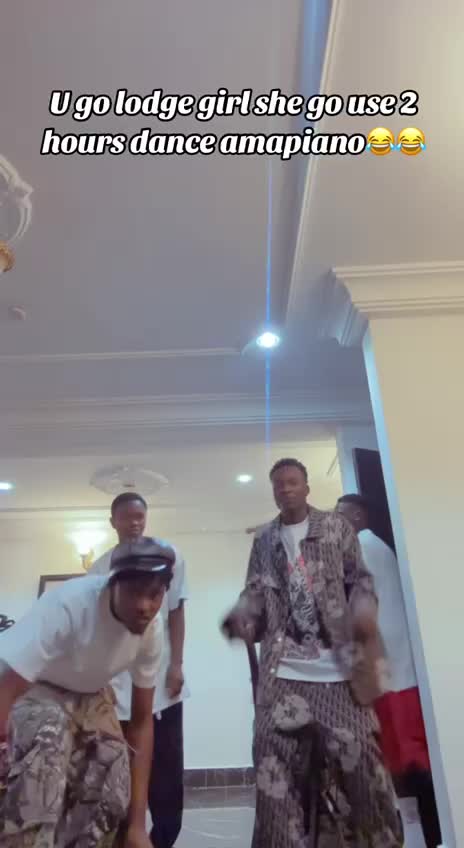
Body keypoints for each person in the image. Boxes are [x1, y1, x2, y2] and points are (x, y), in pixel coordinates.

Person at [223, 458, 402, 848]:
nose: (285, 489)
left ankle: (381, 840)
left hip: (338, 674)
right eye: (278, 484)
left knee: (362, 760)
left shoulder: (336, 528)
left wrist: (364, 610)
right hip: (283, 673)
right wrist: (241, 616)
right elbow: (254, 590)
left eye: (292, 482)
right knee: (269, 758)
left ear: (306, 487)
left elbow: (360, 580)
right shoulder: (265, 539)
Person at [0, 536, 174, 848]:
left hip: (91, 692)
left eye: (154, 595)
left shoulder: (152, 629)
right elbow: (6, 689)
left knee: (114, 771)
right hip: (33, 685)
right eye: (134, 592)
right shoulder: (70, 606)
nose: (144, 606)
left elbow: (141, 723)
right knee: (46, 760)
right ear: (112, 584)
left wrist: (137, 826)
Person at [336, 493, 441, 848]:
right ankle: (418, 831)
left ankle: (426, 832)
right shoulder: (373, 547)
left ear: (358, 516)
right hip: (393, 671)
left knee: (408, 759)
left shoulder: (365, 545)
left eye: (342, 515)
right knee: (401, 758)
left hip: (394, 674)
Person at [89, 492, 188, 848]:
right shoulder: (98, 568)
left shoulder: (169, 556)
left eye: (140, 517)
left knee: (166, 774)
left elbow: (175, 611)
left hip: (160, 683)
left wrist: (176, 665)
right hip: (115, 689)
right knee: (117, 772)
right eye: (127, 517)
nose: (134, 523)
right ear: (112, 521)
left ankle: (160, 840)